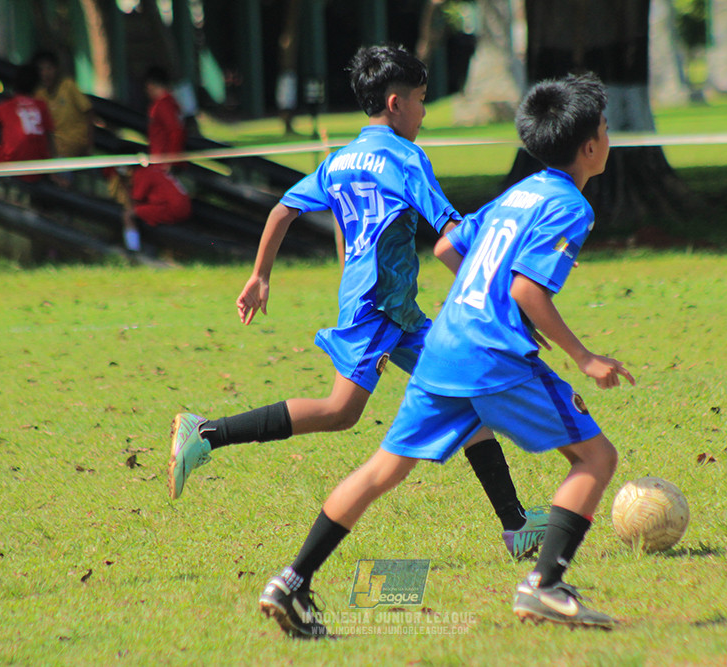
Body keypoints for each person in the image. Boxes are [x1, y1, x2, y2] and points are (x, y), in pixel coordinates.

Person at [258, 72, 635, 639]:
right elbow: (527, 292)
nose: (608, 136)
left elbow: (446, 246)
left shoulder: (520, 191)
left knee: (382, 470)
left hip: (443, 348)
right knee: (596, 459)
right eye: (606, 128)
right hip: (492, 358)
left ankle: (291, 580)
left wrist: (487, 288)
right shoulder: (570, 207)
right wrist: (584, 357)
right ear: (589, 146)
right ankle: (546, 586)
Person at [167, 45, 546, 561]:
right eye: (421, 101)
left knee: (466, 399)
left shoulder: (340, 159)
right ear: (395, 103)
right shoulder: (407, 158)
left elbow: (282, 210)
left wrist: (260, 276)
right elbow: (451, 236)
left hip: (394, 307)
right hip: (376, 307)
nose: (424, 112)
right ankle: (206, 432)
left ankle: (517, 525)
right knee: (340, 411)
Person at [0, 64, 56, 183]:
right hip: (38, 168)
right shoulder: (41, 106)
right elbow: (50, 138)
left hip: (12, 166)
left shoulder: (3, 107)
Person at [32, 51, 95, 159]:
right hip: (56, 154)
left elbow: (88, 111)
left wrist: (89, 145)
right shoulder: (39, 95)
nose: (45, 73)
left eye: (49, 68)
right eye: (41, 70)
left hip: (78, 150)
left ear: (56, 69)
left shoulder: (69, 86)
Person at [118, 164, 192, 253]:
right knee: (142, 210)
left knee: (128, 215)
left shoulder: (142, 173)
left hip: (171, 208)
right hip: (185, 206)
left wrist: (125, 183)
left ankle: (132, 250)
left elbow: (135, 199)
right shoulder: (155, 169)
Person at [143, 66, 185, 162]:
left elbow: (175, 132)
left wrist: (171, 159)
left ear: (150, 85)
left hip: (164, 161)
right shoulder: (170, 103)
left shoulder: (163, 105)